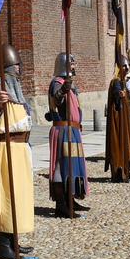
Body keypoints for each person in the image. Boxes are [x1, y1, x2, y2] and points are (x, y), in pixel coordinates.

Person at [0, 43, 36, 259]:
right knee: (8, 195)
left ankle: (15, 241)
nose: (20, 69)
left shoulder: (15, 87)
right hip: (6, 150)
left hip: (20, 149)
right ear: (8, 68)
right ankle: (5, 247)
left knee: (18, 196)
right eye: (16, 65)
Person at [47, 52, 88, 218]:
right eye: (71, 63)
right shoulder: (57, 83)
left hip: (73, 130)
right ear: (64, 65)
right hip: (63, 130)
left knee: (73, 165)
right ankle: (61, 205)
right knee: (61, 166)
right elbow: (57, 99)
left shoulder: (69, 83)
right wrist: (63, 90)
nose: (74, 66)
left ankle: (71, 198)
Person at [105, 55, 130, 182]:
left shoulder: (123, 81)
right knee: (119, 143)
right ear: (119, 67)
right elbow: (116, 94)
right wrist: (119, 94)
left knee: (129, 142)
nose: (127, 68)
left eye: (128, 65)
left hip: (126, 118)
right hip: (118, 120)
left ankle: (127, 170)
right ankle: (119, 171)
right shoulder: (116, 81)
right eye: (124, 66)